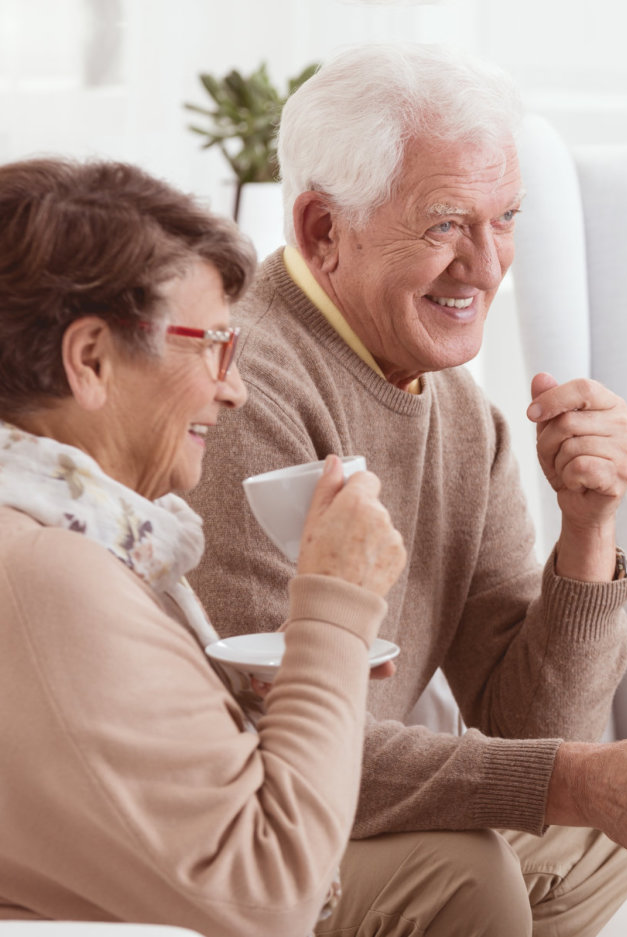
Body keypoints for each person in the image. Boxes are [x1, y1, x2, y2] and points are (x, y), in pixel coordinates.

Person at [184, 44, 627, 936]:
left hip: (341, 798)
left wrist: (587, 527)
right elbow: (273, 748)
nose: (487, 266)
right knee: (473, 866)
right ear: (322, 229)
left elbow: (528, 717)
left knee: (626, 842)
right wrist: (568, 779)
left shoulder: (461, 411)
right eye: (447, 224)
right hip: (243, 823)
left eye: (505, 219)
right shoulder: (243, 389)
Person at [0, 158, 407, 934]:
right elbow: (276, 890)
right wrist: (335, 610)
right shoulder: (53, 575)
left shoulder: (50, 539)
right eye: (213, 344)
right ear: (90, 360)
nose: (235, 386)